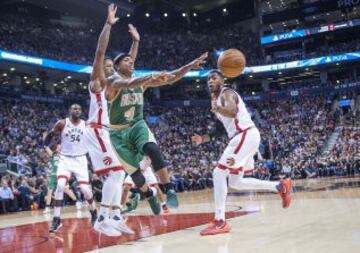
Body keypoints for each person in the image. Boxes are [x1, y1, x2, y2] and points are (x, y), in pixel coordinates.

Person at [107, 27, 208, 209]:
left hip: (136, 125)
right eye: (126, 61)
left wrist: (189, 66)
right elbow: (128, 82)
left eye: (132, 60)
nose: (131, 62)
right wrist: (149, 76)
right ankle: (149, 195)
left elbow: (170, 78)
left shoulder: (140, 81)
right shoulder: (113, 82)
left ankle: (169, 189)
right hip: (118, 133)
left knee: (153, 149)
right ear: (117, 67)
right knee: (134, 172)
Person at [191, 70, 292, 236]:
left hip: (244, 135)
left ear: (222, 80)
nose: (210, 81)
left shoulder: (227, 93)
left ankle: (220, 221)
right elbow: (220, 130)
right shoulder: (216, 100)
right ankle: (279, 186)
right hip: (245, 137)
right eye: (208, 78)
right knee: (236, 182)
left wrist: (218, 108)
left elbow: (232, 112)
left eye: (214, 77)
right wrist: (203, 138)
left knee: (218, 172)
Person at [84, 3, 133, 237]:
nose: (109, 69)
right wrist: (108, 24)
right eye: (106, 67)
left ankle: (114, 215)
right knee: (115, 172)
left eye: (111, 67)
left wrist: (136, 43)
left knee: (120, 173)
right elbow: (100, 53)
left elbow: (128, 67)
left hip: (106, 132)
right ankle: (102, 218)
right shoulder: (96, 84)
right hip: (95, 130)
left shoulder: (112, 89)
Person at [44, 104, 97, 233]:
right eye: (74, 108)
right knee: (60, 185)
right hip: (65, 159)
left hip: (80, 159)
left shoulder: (86, 125)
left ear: (81, 111)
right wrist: (46, 142)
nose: (76, 110)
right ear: (69, 111)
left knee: (85, 190)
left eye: (79, 108)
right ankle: (56, 219)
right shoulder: (62, 123)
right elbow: (51, 134)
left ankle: (94, 212)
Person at [43, 145, 80, 214]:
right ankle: (47, 207)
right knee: (49, 191)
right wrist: (45, 143)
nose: (58, 148)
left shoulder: (65, 156)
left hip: (61, 174)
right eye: (58, 147)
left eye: (60, 147)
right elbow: (47, 148)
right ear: (56, 149)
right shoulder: (54, 155)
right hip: (53, 175)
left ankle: (77, 201)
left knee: (66, 190)